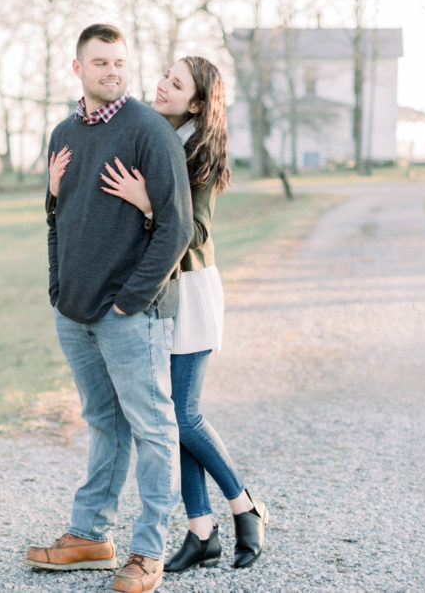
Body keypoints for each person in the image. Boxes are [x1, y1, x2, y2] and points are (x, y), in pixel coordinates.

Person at [26, 24, 193, 593]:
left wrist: (130, 302)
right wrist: (57, 291)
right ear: (79, 69)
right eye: (99, 63)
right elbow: (57, 215)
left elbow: (177, 229)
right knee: (102, 422)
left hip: (130, 316)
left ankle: (149, 553)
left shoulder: (148, 130)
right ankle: (90, 535)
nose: (112, 71)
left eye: (119, 62)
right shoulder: (62, 133)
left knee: (152, 428)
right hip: (73, 314)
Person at [96, 56, 268, 572]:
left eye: (176, 84)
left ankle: (245, 504)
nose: (161, 86)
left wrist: (147, 203)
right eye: (164, 77)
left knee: (182, 415)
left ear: (196, 103)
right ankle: (202, 532)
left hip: (191, 290)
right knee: (173, 418)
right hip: (165, 291)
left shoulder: (196, 151)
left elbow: (192, 231)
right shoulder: (161, 137)